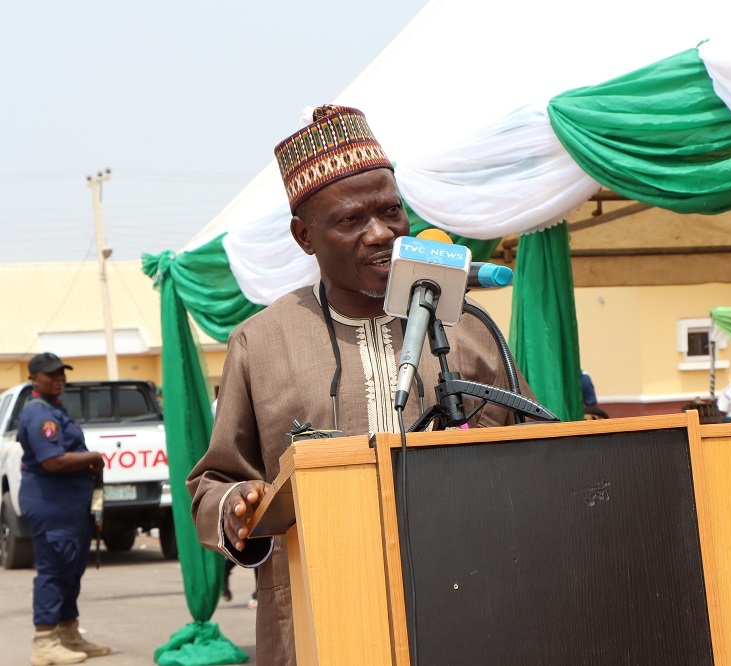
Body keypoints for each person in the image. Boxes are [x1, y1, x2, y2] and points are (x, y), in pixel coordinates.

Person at [187, 105, 536, 665]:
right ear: (305, 237)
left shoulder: (466, 325)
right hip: (321, 616)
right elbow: (215, 480)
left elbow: (534, 448)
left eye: (391, 211)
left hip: (466, 601)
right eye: (351, 220)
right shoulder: (261, 342)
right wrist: (235, 507)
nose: (381, 233)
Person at [17, 352, 111, 665]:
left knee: (71, 570)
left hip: (71, 504)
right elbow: (53, 460)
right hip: (51, 504)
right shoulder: (39, 414)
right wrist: (93, 456)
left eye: (61, 373)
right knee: (55, 570)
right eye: (50, 374)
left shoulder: (54, 409)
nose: (58, 379)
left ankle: (68, 633)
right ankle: (44, 641)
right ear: (34, 378)